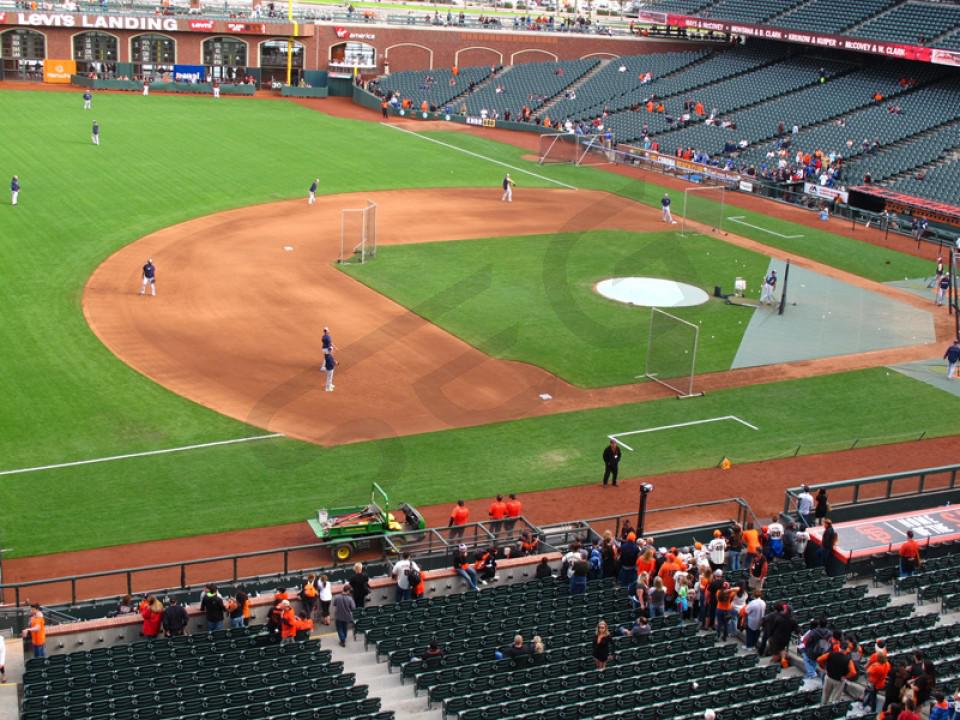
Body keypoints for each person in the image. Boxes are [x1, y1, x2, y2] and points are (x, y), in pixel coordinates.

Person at [818, 639, 858, 704]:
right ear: (846, 649)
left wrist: (824, 667)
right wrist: (846, 676)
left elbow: (819, 659)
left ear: (839, 647)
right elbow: (853, 672)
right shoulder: (848, 660)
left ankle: (823, 708)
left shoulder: (830, 654)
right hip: (839, 681)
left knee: (825, 695)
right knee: (834, 698)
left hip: (828, 677)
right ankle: (830, 709)